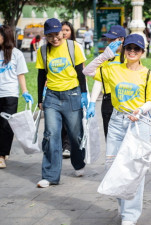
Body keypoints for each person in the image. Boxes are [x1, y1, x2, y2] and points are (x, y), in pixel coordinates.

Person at [83, 34, 151, 225]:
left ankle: (129, 216)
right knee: (113, 168)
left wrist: (140, 110)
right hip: (117, 122)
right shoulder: (112, 69)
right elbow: (87, 70)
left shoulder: (149, 74)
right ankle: (124, 207)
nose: (132, 52)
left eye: (137, 49)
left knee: (134, 169)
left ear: (142, 52)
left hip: (139, 123)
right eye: (129, 48)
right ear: (124, 49)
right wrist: (106, 54)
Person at [36, 18, 88, 188]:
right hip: (51, 96)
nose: (55, 38)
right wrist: (40, 99)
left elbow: (81, 72)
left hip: (73, 94)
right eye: (50, 36)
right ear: (46, 36)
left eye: (57, 34)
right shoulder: (43, 51)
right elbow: (41, 76)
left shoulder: (73, 47)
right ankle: (50, 175)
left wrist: (84, 94)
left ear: (62, 32)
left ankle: (79, 163)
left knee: (75, 134)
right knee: (51, 135)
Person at [83, 25, 126, 139]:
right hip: (108, 102)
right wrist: (92, 103)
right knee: (110, 140)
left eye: (112, 40)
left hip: (126, 101)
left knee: (125, 142)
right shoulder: (105, 59)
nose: (109, 42)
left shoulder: (129, 59)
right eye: (108, 40)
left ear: (122, 40)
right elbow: (90, 74)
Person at [0, 25, 34, 168]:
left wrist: (25, 91)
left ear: (5, 36)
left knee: (6, 126)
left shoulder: (16, 54)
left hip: (10, 95)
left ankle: (1, 155)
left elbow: (20, 75)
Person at [60, 21, 87, 158]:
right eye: (62, 30)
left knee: (72, 121)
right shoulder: (52, 48)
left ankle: (69, 146)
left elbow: (82, 68)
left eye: (67, 30)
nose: (64, 32)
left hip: (73, 88)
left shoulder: (76, 47)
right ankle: (62, 145)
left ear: (72, 32)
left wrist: (84, 90)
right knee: (60, 120)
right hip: (56, 89)